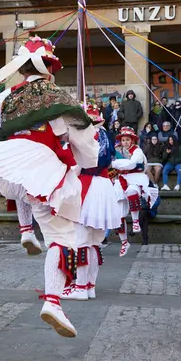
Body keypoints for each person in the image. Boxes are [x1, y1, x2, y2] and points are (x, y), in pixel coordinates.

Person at [0, 36, 98, 337]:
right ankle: (53, 301)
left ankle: (26, 231)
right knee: (62, 235)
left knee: (24, 194)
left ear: (22, 68)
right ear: (49, 67)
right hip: (43, 168)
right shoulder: (57, 96)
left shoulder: (5, 97)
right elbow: (84, 141)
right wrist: (85, 159)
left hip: (8, 167)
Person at [62, 104, 120, 301]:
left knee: (81, 240)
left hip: (88, 186)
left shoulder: (87, 138)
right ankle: (89, 286)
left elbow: (78, 167)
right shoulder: (104, 135)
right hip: (103, 187)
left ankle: (80, 287)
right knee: (93, 242)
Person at [113, 126, 152, 256]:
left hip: (135, 179)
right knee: (118, 216)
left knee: (132, 192)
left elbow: (132, 164)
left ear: (132, 140)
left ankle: (135, 221)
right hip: (120, 180)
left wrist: (115, 164)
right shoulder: (117, 151)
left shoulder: (138, 151)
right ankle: (124, 242)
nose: (125, 142)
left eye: (127, 140)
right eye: (123, 140)